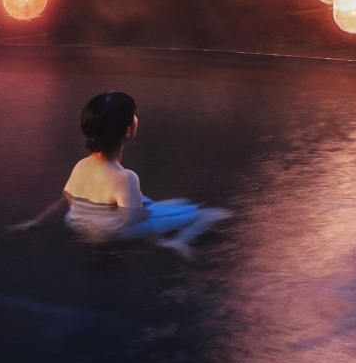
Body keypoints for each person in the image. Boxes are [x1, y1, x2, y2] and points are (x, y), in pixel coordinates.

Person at [14, 91, 226, 253]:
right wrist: (145, 210)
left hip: (77, 223)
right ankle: (177, 242)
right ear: (127, 130)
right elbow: (132, 221)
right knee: (214, 213)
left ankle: (169, 226)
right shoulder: (126, 177)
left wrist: (37, 221)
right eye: (133, 116)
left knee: (180, 202)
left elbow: (63, 201)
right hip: (108, 232)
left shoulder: (81, 165)